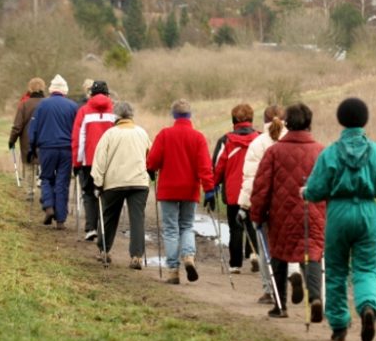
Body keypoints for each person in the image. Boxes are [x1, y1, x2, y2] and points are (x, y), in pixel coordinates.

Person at [304, 97, 376, 341]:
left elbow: (315, 190)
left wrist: (305, 192)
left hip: (337, 212)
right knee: (366, 267)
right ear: (365, 120)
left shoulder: (330, 153)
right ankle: (367, 306)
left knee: (336, 270)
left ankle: (338, 325)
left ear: (341, 120)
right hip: (368, 212)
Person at [250, 103, 325, 320]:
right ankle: (315, 298)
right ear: (309, 122)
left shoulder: (274, 151)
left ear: (287, 123)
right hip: (314, 212)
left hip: (281, 214)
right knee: (312, 253)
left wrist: (257, 214)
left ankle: (280, 306)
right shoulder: (321, 151)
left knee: (280, 256)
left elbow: (261, 187)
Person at [237, 105, 302, 305]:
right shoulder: (295, 141)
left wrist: (244, 206)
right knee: (289, 243)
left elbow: (251, 179)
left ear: (263, 120)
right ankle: (293, 271)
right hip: (292, 204)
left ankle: (270, 290)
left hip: (266, 206)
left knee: (266, 249)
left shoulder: (258, 144)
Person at [147, 99, 215, 285]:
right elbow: (205, 167)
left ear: (173, 115)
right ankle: (189, 257)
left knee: (170, 229)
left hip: (168, 189)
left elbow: (152, 161)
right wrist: (209, 190)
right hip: (189, 189)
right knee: (186, 225)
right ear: (190, 115)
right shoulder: (198, 137)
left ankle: (172, 271)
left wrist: (151, 170)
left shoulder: (164, 134)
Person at [91, 101, 151, 269]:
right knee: (137, 218)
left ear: (116, 116)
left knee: (109, 215)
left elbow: (100, 160)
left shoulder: (110, 134)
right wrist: (151, 174)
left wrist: (98, 182)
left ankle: (104, 250)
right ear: (131, 115)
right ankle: (137, 256)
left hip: (114, 182)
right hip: (139, 182)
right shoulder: (142, 133)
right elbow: (150, 157)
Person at [213, 104, 260, 274]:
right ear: (251, 119)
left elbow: (218, 166)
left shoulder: (225, 141)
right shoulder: (260, 138)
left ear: (234, 120)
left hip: (233, 192)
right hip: (255, 189)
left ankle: (235, 264)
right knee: (253, 224)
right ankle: (254, 254)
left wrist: (213, 186)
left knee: (235, 227)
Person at [28, 74, 78, 230]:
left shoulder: (43, 105)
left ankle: (49, 206)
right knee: (62, 183)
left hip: (47, 148)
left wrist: (32, 147)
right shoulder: (72, 106)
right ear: (64, 91)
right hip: (66, 150)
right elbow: (76, 130)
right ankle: (61, 220)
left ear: (51, 90)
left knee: (46, 178)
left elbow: (33, 129)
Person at [71, 81, 115, 241]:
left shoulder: (84, 111)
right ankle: (105, 230)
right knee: (106, 193)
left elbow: (78, 139)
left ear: (91, 94)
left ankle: (91, 228)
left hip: (89, 160)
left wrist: (77, 162)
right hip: (110, 161)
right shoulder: (115, 111)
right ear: (108, 94)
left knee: (89, 193)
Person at [9, 77, 45, 198]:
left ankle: (30, 191)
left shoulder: (24, 105)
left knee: (29, 166)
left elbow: (17, 126)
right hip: (44, 139)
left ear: (30, 88)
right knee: (43, 164)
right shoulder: (48, 104)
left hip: (27, 140)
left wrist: (12, 140)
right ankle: (45, 190)